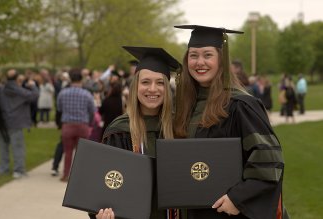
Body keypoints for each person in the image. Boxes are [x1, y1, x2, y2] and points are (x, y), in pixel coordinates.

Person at [173, 25, 288, 219]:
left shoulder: (240, 105)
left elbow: (268, 161)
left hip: (226, 212)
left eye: (207, 55)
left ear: (221, 59)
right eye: (193, 55)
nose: (199, 62)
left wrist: (238, 199)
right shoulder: (185, 106)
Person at [90, 46, 181, 219]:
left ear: (167, 88)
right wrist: (100, 213)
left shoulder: (180, 127)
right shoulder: (119, 130)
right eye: (146, 82)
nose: (153, 89)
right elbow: (105, 183)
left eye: (160, 82)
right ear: (135, 86)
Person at [0, 69, 39, 178]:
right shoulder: (20, 92)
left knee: (3, 147)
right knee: (18, 147)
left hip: (2, 123)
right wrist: (32, 85)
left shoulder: (1, 90)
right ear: (17, 79)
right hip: (16, 123)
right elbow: (34, 96)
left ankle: (3, 168)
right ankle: (19, 170)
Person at [57, 68, 95, 182]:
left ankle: (66, 175)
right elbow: (92, 110)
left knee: (67, 151)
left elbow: (59, 109)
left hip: (68, 125)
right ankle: (80, 176)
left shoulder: (63, 93)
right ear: (81, 79)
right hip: (82, 125)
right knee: (81, 153)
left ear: (70, 79)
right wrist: (90, 123)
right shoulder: (87, 94)